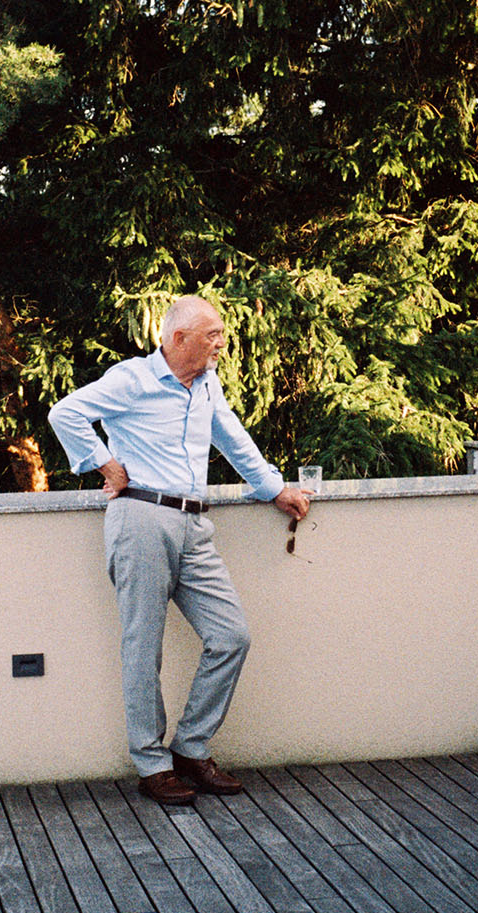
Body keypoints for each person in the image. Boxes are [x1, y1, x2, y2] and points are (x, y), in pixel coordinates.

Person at [47, 295, 312, 807]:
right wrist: (105, 464)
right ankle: (152, 764)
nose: (221, 344)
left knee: (231, 635)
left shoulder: (207, 385)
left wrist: (275, 490)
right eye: (212, 335)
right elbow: (66, 413)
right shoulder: (133, 379)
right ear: (178, 338)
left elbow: (234, 440)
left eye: (221, 334)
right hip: (142, 517)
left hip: (194, 525)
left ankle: (191, 748)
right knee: (143, 646)